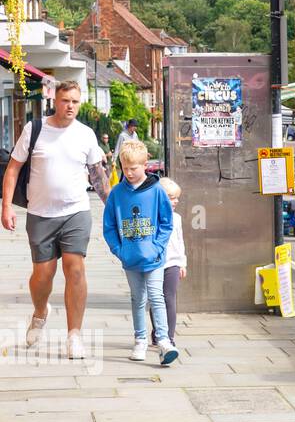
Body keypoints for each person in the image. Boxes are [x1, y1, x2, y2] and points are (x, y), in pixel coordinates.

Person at [2, 81, 110, 360]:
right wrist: (6, 207)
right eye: (65, 101)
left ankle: (74, 335)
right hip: (40, 214)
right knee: (43, 276)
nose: (70, 106)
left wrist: (112, 207)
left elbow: (98, 176)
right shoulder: (34, 129)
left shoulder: (86, 135)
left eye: (75, 101)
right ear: (55, 101)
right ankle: (40, 312)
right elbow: (13, 169)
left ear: (80, 102)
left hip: (76, 212)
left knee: (75, 269)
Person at [104, 140, 178, 365]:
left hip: (154, 258)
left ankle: (164, 341)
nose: (128, 172)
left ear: (145, 165)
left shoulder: (156, 191)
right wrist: (120, 251)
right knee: (138, 299)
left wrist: (158, 246)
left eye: (133, 168)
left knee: (157, 297)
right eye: (125, 168)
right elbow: (109, 227)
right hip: (130, 259)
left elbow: (167, 222)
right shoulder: (117, 193)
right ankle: (140, 340)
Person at [154, 177, 187, 348]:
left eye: (176, 198)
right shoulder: (153, 217)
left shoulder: (177, 218)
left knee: (170, 299)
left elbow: (180, 241)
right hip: (155, 264)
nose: (175, 201)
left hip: (173, 263)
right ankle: (158, 332)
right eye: (171, 197)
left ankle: (170, 337)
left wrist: (182, 263)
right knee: (155, 299)